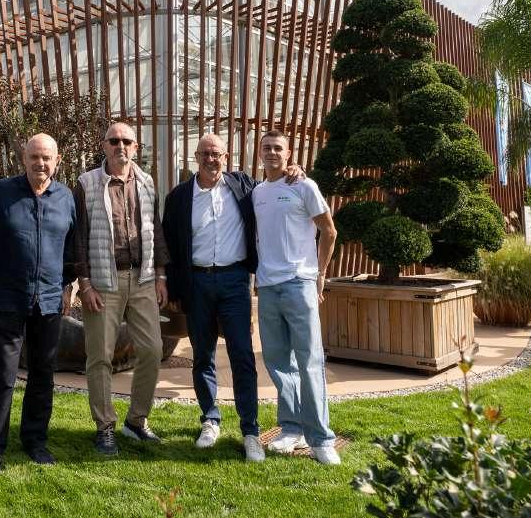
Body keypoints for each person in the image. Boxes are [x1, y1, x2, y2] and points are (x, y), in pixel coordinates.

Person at [161, 134, 303, 462]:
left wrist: (294, 170)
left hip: (235, 281)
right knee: (203, 355)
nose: (211, 159)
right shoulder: (179, 196)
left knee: (242, 355)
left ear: (226, 157)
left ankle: (250, 431)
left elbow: (274, 184)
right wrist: (174, 288)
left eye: (217, 154)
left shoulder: (244, 187)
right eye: (205, 154)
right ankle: (210, 420)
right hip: (197, 283)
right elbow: (169, 245)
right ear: (196, 157)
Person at [0, 133, 76, 476]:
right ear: (24, 159)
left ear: (57, 161)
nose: (40, 163)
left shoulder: (66, 198)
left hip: (49, 302)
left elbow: (73, 246)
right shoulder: (1, 193)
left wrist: (68, 284)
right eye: (34, 157)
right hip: (8, 300)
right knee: (1, 377)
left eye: (46, 158)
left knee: (43, 375)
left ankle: (35, 440)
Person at [72, 121, 170, 455]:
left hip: (142, 279)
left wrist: (161, 276)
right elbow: (78, 237)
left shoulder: (146, 181)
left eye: (126, 141)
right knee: (100, 356)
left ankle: (136, 421)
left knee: (152, 350)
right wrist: (85, 284)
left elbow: (155, 229)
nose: (120, 146)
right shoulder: (87, 183)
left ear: (135, 147)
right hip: (103, 282)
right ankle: (105, 427)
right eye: (114, 141)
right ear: (104, 146)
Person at [251, 130, 341, 466]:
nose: (272, 152)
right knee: (278, 362)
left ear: (289, 154)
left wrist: (320, 274)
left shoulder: (304, 186)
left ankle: (321, 438)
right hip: (267, 287)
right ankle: (291, 428)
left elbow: (329, 231)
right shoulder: (258, 192)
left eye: (278, 148)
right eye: (267, 147)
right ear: (260, 152)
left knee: (309, 361)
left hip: (299, 283)